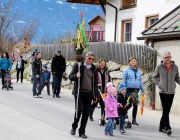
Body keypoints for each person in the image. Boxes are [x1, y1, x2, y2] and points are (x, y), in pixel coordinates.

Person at [69, 51, 98, 139]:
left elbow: (95, 83)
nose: (90, 60)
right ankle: (74, 127)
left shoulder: (94, 68)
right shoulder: (79, 66)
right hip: (79, 93)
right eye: (89, 58)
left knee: (86, 113)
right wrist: (76, 76)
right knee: (79, 110)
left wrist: (95, 95)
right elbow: (70, 77)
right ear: (85, 57)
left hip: (89, 93)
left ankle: (82, 131)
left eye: (92, 59)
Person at [152, 51, 180, 135]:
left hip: (171, 91)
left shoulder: (175, 67)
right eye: (164, 57)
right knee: (166, 109)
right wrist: (159, 84)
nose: (166, 59)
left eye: (168, 57)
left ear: (170, 58)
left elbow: (177, 78)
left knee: (166, 110)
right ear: (163, 58)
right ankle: (167, 128)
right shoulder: (159, 67)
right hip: (163, 91)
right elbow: (154, 77)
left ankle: (161, 126)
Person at [121, 56, 145, 125]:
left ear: (136, 62)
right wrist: (123, 88)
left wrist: (142, 89)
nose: (133, 62)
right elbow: (124, 80)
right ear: (129, 62)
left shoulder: (138, 70)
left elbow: (140, 81)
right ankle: (124, 112)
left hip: (136, 90)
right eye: (132, 61)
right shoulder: (126, 70)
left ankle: (134, 120)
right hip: (128, 89)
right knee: (129, 103)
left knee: (135, 104)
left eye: (134, 61)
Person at [89, 58, 110, 122]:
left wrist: (109, 86)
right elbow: (93, 80)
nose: (103, 65)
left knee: (103, 104)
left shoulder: (106, 71)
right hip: (98, 90)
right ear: (99, 63)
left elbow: (109, 80)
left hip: (105, 90)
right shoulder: (96, 70)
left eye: (104, 63)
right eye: (101, 63)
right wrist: (97, 84)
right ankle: (90, 115)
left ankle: (102, 117)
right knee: (95, 103)